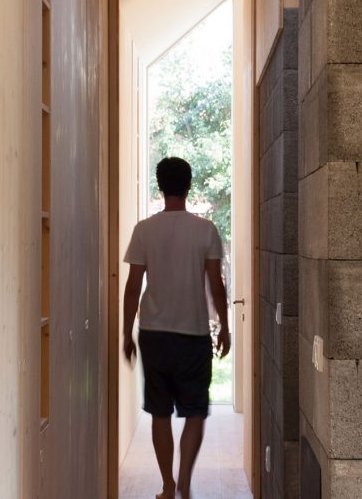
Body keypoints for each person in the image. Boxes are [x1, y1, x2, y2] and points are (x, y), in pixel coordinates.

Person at [123, 156, 231, 499]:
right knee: (195, 411)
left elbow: (132, 286)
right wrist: (225, 327)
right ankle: (184, 481)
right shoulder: (205, 230)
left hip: (154, 334)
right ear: (188, 186)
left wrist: (127, 333)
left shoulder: (144, 230)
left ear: (160, 186)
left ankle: (168, 486)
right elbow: (217, 285)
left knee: (159, 412)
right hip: (194, 335)